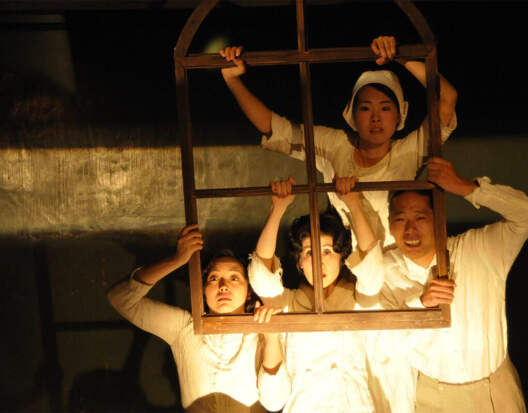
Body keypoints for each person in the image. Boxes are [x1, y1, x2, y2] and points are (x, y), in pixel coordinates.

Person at [219, 35, 458, 248]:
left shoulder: (410, 151)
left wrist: (400, 56)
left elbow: (447, 97)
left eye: (385, 108)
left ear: (399, 116)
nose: (376, 118)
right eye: (365, 108)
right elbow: (274, 128)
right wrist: (232, 80)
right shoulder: (335, 145)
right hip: (350, 261)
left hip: (402, 259)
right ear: (352, 114)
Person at [377, 157, 528, 413]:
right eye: (400, 219)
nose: (410, 230)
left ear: (438, 218)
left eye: (420, 218)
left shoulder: (479, 248)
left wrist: (464, 187)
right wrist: (421, 304)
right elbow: (384, 341)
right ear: (390, 223)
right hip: (434, 395)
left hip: (494, 387)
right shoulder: (384, 270)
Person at [249, 176, 384, 412]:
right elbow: (261, 275)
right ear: (300, 262)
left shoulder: (358, 300)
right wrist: (278, 209)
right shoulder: (288, 304)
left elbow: (373, 269)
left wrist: (354, 204)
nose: (319, 262)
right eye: (310, 253)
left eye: (328, 251)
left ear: (342, 258)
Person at [107, 225, 267, 413]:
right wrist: (177, 260)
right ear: (203, 290)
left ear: (249, 292)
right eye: (214, 278)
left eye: (234, 278)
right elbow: (120, 299)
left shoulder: (263, 328)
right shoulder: (185, 327)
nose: (223, 286)